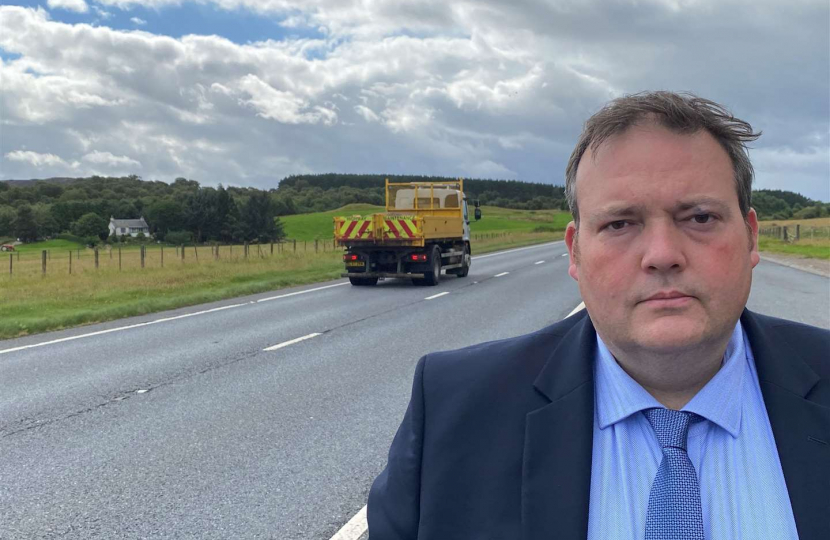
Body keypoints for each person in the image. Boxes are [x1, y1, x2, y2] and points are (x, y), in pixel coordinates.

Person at [366, 91, 830, 540]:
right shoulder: (454, 408)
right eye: (619, 224)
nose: (663, 255)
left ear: (751, 237)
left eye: (700, 217)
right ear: (576, 252)